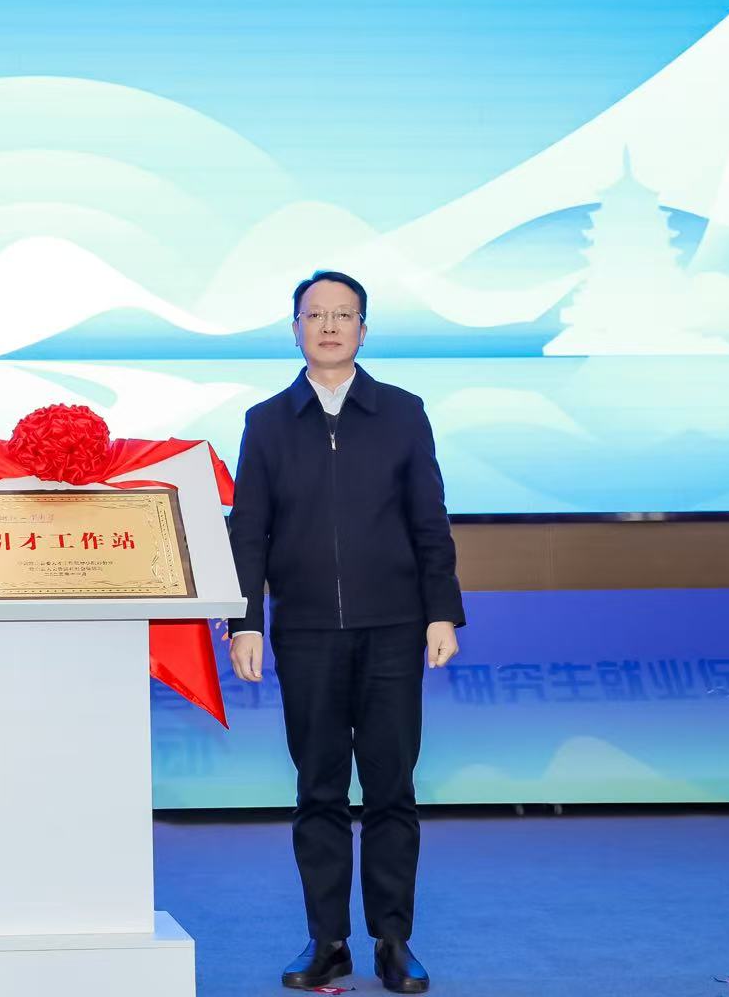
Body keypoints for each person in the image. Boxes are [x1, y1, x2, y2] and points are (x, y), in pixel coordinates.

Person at [226, 270, 464, 994]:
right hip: (304, 632)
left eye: (344, 315)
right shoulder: (267, 421)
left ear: (364, 328)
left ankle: (394, 940)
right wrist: (245, 620)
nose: (329, 326)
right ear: (295, 327)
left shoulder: (402, 412)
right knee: (319, 790)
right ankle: (326, 940)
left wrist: (441, 610)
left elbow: (429, 518)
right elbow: (249, 532)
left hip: (393, 628)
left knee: (392, 789)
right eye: (315, 315)